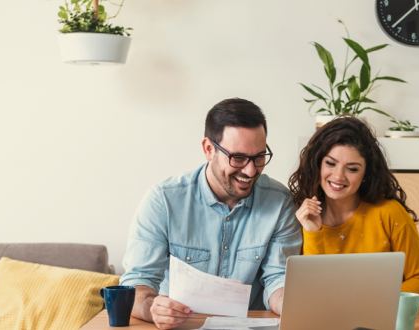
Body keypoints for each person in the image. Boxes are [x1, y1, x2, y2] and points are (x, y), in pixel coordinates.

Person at [120, 98, 302, 329]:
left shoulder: (280, 202)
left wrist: (290, 303)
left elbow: (277, 279)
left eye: (258, 157)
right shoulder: (163, 200)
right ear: (209, 149)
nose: (250, 170)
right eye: (238, 158)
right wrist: (153, 307)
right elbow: (137, 283)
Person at [288, 116, 419, 310]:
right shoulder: (301, 216)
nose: (338, 176)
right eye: (330, 163)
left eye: (352, 169)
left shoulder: (389, 213)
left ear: (366, 174)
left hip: (393, 320)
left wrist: (367, 301)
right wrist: (313, 232)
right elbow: (313, 292)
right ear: (317, 164)